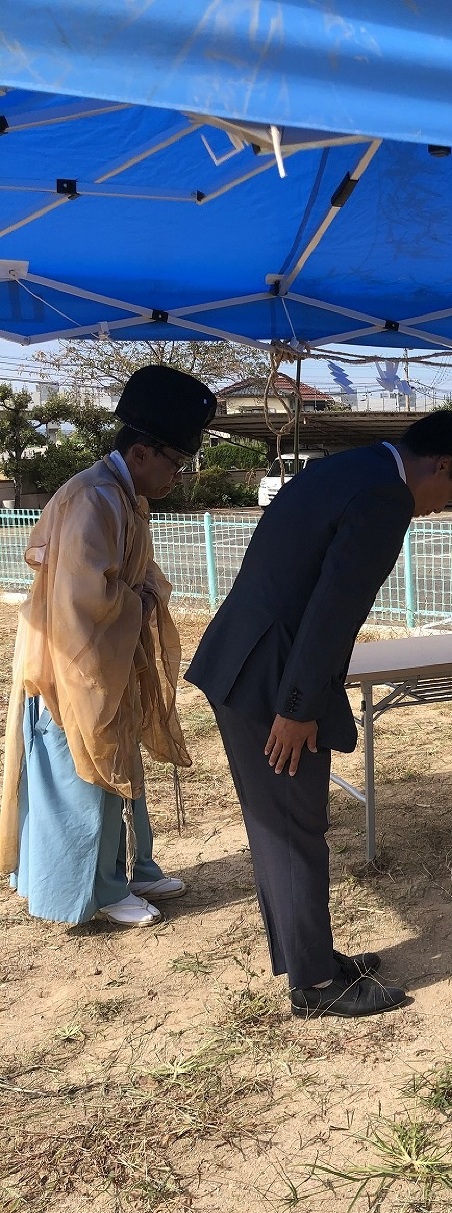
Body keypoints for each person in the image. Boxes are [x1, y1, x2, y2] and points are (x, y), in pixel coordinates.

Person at [186, 410, 452, 1020]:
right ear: (442, 465)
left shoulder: (348, 470)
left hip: (243, 657)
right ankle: (317, 984)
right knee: (293, 827)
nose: (438, 507)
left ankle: (308, 958)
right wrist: (297, 709)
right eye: (451, 494)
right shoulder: (384, 496)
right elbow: (333, 611)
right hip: (270, 678)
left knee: (278, 825)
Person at [0, 365, 216, 927]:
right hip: (71, 662)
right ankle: (96, 890)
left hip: (106, 654)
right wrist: (139, 603)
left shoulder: (121, 494)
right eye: (175, 462)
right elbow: (83, 599)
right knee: (83, 772)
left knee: (119, 759)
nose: (178, 475)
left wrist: (142, 596)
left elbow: (136, 576)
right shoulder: (95, 498)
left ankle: (133, 869)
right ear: (143, 451)